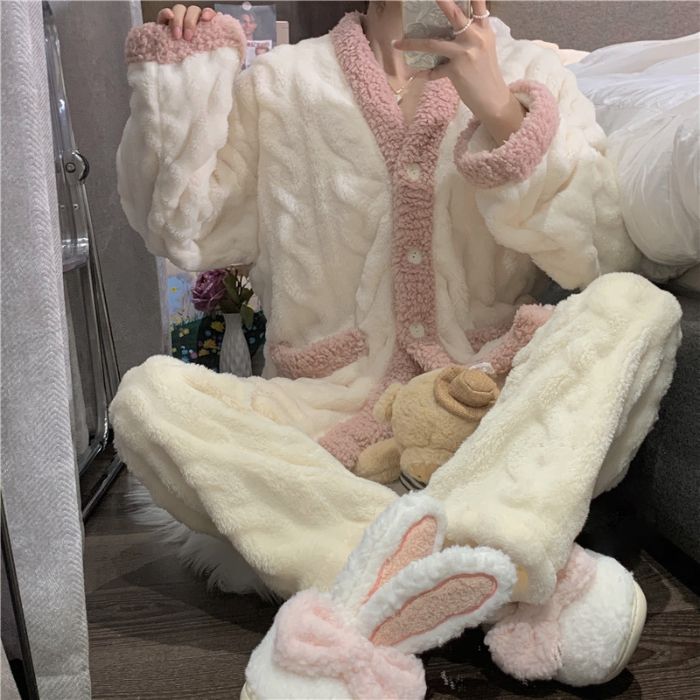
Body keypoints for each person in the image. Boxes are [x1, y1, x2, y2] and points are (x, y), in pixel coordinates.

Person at [113, 0, 681, 686]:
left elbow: (600, 254)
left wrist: (501, 112)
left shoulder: (532, 70)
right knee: (149, 399)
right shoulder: (282, 84)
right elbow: (185, 231)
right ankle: (488, 567)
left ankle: (402, 559)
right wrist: (186, 77)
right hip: (328, 410)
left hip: (489, 404)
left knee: (635, 307)